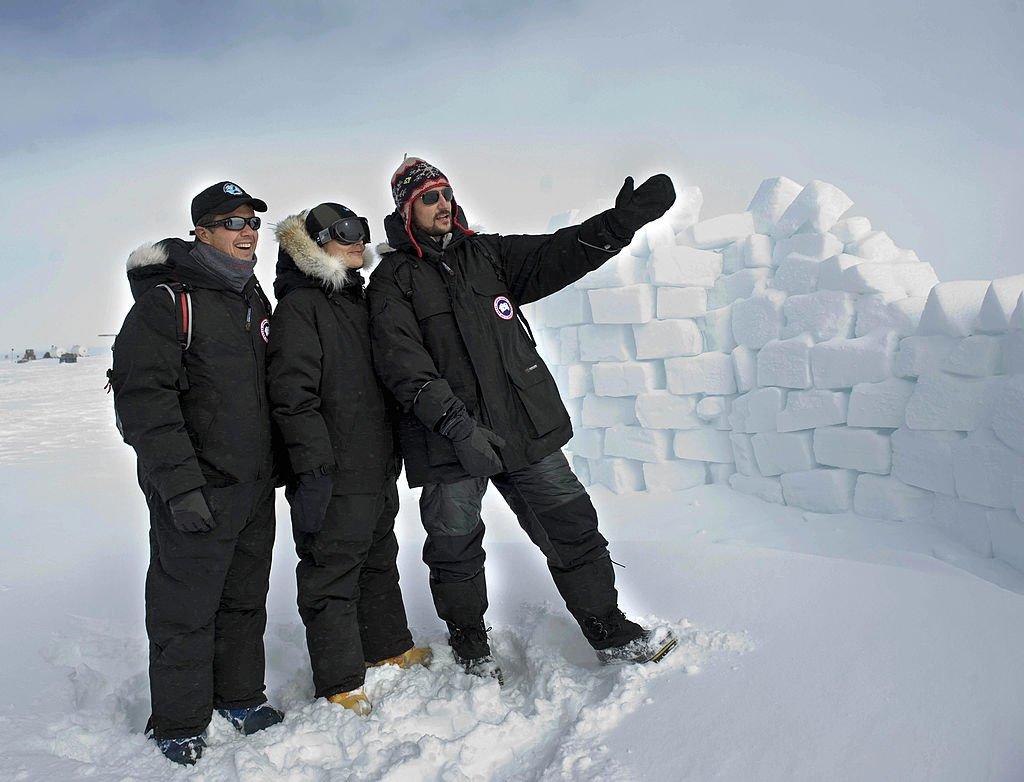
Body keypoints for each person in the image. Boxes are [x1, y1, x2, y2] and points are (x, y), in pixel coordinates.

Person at [367, 157, 678, 683]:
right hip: (449, 441)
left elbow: (563, 251)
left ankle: (609, 631)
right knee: (454, 547)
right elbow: (403, 364)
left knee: (573, 526)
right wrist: (457, 426)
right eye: (428, 197)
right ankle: (468, 643)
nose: (443, 204)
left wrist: (619, 223)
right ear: (405, 209)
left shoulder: (487, 253)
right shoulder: (393, 281)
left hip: (521, 425)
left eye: (446, 193)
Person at [109, 181, 283, 765]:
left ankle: (239, 696)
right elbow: (144, 403)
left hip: (254, 488)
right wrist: (180, 486)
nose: (248, 233)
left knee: (244, 600)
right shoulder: (166, 301)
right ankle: (179, 720)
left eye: (253, 223)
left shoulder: (251, 298)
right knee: (185, 608)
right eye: (232, 223)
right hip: (195, 491)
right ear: (201, 233)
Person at [267, 203, 431, 715]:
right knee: (331, 574)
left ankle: (385, 648)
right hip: (333, 472)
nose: (357, 240)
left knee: (379, 561)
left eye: (360, 230)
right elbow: (292, 396)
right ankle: (338, 681)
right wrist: (315, 470)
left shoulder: (355, 300)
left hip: (375, 465)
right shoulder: (301, 306)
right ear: (314, 244)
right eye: (343, 233)